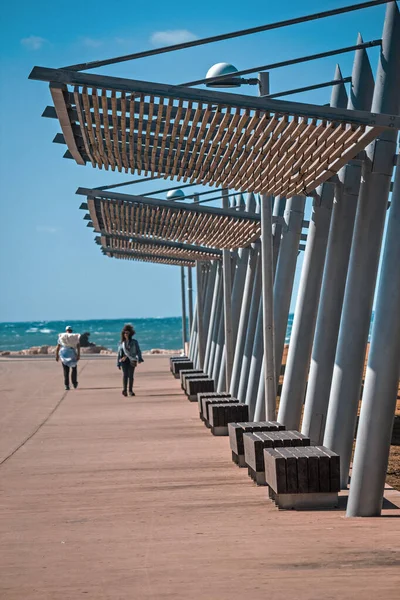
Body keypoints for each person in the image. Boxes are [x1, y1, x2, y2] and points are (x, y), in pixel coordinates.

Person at [117, 324, 143, 397]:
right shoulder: (121, 343)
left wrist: (140, 358)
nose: (126, 334)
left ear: (130, 333)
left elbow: (138, 350)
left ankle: (130, 390)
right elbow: (119, 354)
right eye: (125, 333)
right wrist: (118, 363)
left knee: (131, 376)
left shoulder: (134, 342)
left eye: (127, 333)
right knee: (125, 375)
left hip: (132, 360)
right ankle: (125, 390)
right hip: (124, 361)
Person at [56, 326, 80, 390]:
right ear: (71, 330)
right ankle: (74, 383)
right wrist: (78, 355)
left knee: (66, 370)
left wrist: (57, 355)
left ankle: (67, 385)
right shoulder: (74, 337)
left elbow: (58, 346)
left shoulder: (62, 336)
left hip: (64, 353)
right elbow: (78, 346)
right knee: (74, 369)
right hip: (71, 353)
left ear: (66, 330)